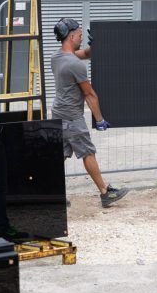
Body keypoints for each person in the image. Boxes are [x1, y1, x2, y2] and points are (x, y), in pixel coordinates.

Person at [51, 17, 128, 208]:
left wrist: (95, 45)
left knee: (58, 156)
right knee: (88, 153)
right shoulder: (74, 65)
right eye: (78, 35)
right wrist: (100, 120)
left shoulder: (58, 57)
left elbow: (85, 53)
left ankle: (50, 195)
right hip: (72, 118)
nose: (81, 37)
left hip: (59, 114)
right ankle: (105, 192)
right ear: (70, 37)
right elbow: (89, 94)